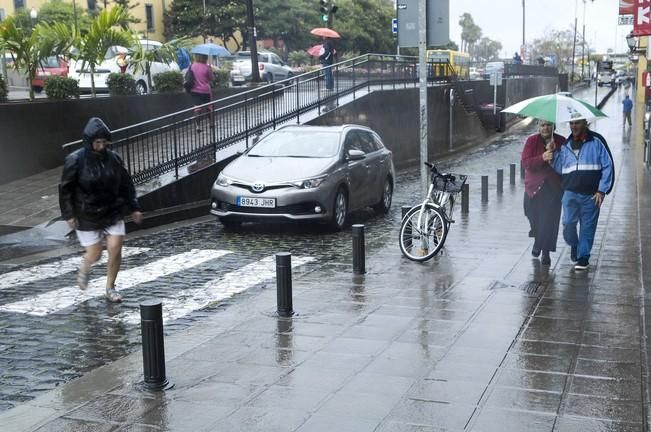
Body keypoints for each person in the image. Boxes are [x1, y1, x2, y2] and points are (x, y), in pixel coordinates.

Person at [59, 118, 143, 302]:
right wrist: (69, 214)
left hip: (112, 210)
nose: (101, 146)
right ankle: (85, 265)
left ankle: (110, 287)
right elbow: (65, 189)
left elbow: (126, 184)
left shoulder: (114, 159)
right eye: (97, 142)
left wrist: (134, 207)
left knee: (115, 247)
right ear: (89, 142)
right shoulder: (75, 160)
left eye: (104, 142)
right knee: (95, 253)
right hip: (86, 212)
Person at [543, 118, 614, 271]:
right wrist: (553, 154)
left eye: (577, 123)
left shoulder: (597, 141)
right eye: (571, 123)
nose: (574, 126)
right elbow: (561, 168)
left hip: (591, 195)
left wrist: (602, 190)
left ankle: (583, 257)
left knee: (587, 228)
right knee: (568, 224)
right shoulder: (565, 146)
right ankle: (574, 245)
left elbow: (608, 166)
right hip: (570, 193)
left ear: (585, 123)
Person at [521, 120, 564, 266]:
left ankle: (545, 252)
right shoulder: (531, 141)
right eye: (542, 125)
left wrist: (555, 153)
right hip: (533, 186)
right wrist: (542, 157)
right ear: (539, 127)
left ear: (554, 126)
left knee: (548, 221)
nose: (545, 128)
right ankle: (537, 239)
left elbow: (566, 163)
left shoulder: (561, 141)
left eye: (549, 125)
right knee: (530, 213)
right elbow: (526, 162)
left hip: (552, 188)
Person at [188, 53, 215, 132]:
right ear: (205, 57)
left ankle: (197, 126)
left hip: (195, 90)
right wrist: (210, 70)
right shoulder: (207, 67)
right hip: (205, 91)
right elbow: (212, 78)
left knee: (197, 108)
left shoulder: (192, 66)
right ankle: (211, 123)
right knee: (208, 107)